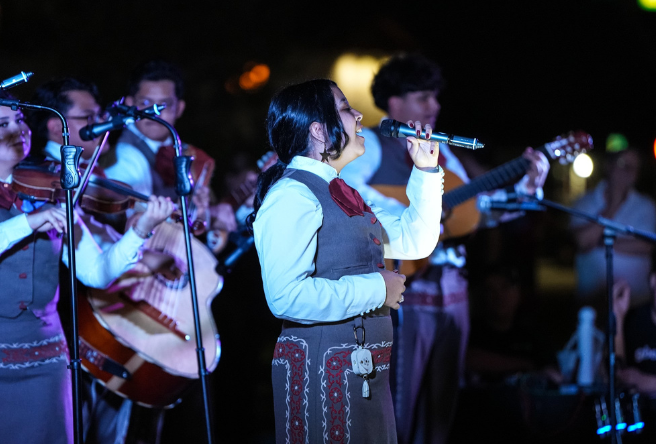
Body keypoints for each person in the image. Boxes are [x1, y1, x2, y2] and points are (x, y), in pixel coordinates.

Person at [340, 54, 550, 444]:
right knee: (398, 399)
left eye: (435, 97)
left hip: (452, 290)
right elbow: (350, 197)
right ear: (395, 102)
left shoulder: (444, 150)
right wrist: (416, 215)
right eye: (423, 97)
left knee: (441, 406)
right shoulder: (368, 143)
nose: (434, 107)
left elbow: (473, 212)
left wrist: (525, 191)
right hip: (406, 291)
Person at [249, 79, 443, 443]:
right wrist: (375, 288)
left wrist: (426, 170)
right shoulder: (292, 195)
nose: (358, 116)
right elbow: (284, 296)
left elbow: (414, 240)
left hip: (362, 370)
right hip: (322, 372)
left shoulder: (343, 192)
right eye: (345, 108)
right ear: (319, 130)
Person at [0, 91, 173, 444]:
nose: (19, 129)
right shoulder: (40, 211)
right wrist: (30, 222)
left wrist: (139, 231)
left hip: (46, 358)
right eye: (4, 123)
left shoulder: (49, 194)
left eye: (20, 120)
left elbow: (96, 271)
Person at [100, 60, 236, 250]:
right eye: (145, 103)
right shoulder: (123, 155)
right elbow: (135, 222)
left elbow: (206, 216)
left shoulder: (187, 153)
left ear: (179, 108)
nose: (154, 113)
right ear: (130, 104)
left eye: (164, 104)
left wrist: (220, 212)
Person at [572, 147, 656, 308]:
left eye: (634, 167)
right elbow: (582, 242)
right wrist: (613, 205)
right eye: (623, 164)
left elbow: (646, 245)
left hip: (637, 302)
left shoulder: (646, 206)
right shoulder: (584, 202)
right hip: (592, 300)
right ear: (608, 166)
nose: (629, 171)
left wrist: (601, 242)